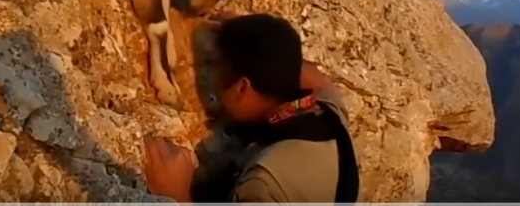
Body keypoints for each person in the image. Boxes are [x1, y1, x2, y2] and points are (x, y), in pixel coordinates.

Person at [143, 13, 359, 203]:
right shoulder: (330, 110)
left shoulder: (262, 184)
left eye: (217, 71)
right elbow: (316, 79)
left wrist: (177, 196)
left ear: (242, 89)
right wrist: (255, 39)